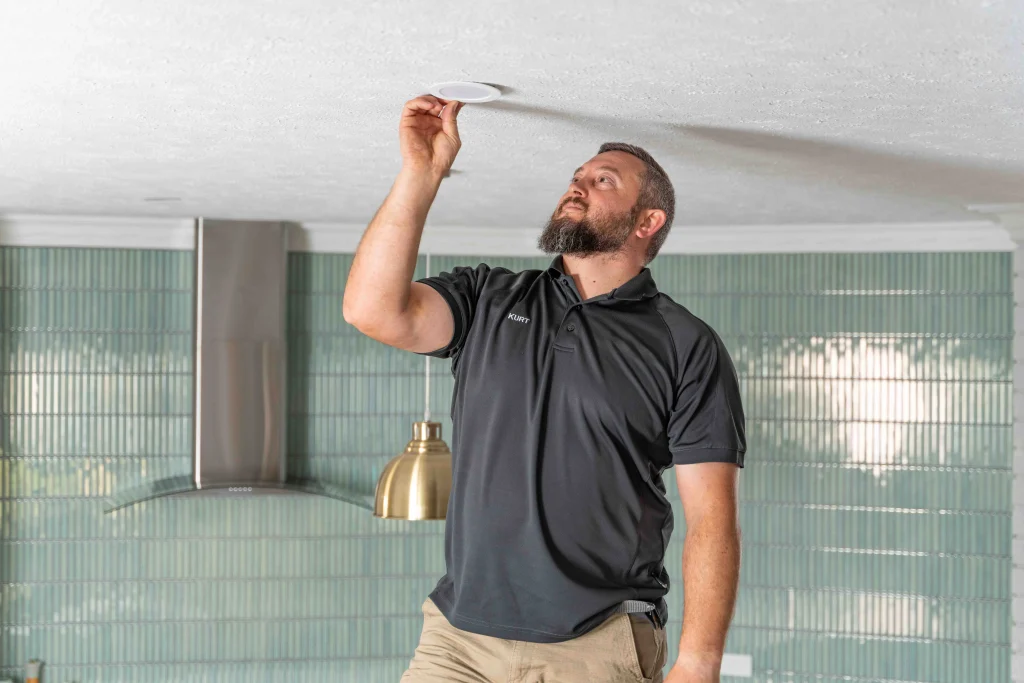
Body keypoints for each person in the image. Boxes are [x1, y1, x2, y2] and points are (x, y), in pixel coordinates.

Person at [343, 95, 747, 683]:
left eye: (602, 180)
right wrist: (422, 173)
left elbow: (713, 518)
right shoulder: (489, 297)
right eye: (576, 177)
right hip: (458, 640)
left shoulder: (685, 344)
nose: (577, 186)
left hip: (596, 642)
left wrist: (699, 662)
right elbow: (369, 310)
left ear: (647, 221)